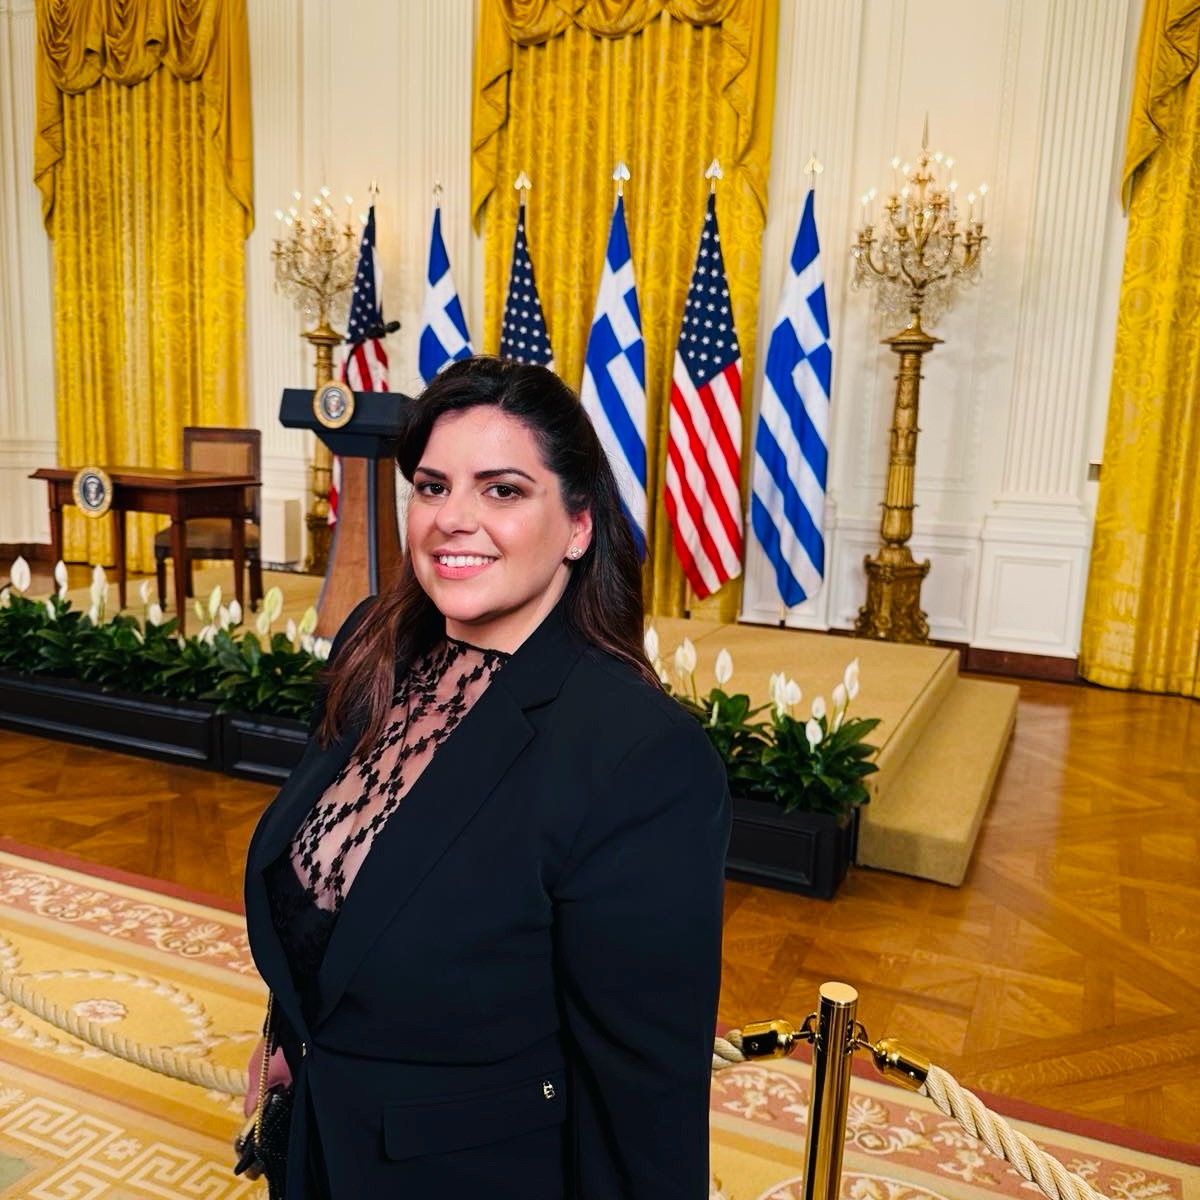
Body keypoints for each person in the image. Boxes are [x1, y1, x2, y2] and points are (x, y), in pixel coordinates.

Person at [243, 355, 731, 1198]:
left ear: (578, 525)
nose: (452, 519)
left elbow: (644, 1096)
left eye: (502, 490)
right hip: (316, 1144)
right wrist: (288, 1037)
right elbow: (321, 895)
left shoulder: (641, 757)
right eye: (433, 487)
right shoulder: (373, 646)